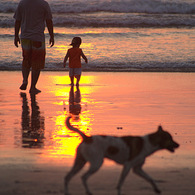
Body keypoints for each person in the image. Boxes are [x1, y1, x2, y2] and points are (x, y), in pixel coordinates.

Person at [14, 0, 54, 94]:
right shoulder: (43, 4)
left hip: (25, 36)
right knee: (37, 63)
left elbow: (17, 21)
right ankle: (33, 87)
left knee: (26, 60)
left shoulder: (22, 3)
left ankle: (24, 80)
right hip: (38, 37)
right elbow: (49, 21)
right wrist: (51, 36)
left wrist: (16, 36)